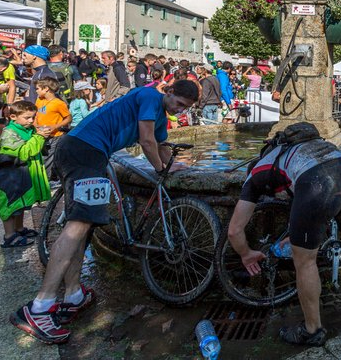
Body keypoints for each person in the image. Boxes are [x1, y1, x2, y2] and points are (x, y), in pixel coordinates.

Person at [10, 80, 199, 344]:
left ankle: (74, 295)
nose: (180, 111)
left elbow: (160, 145)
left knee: (83, 227)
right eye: (178, 103)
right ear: (168, 92)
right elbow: (146, 140)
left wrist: (172, 165)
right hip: (84, 150)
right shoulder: (148, 96)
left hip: (89, 152)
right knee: (76, 226)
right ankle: (40, 307)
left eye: (185, 108)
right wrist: (158, 169)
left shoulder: (160, 118)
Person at [226, 122, 341, 346]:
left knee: (305, 263)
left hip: (314, 184)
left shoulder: (257, 172)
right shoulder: (313, 146)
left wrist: (246, 253)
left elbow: (234, 230)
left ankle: (312, 329)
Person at [0, 100, 52, 248]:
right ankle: (9, 236)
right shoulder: (9, 133)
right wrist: (39, 137)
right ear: (13, 116)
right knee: (10, 206)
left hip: (21, 175)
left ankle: (19, 229)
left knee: (20, 205)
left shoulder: (28, 129)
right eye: (27, 117)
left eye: (33, 117)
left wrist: (40, 136)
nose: (31, 120)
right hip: (10, 177)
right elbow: (25, 153)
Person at [34, 78, 71, 180]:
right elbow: (36, 114)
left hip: (55, 135)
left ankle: (46, 178)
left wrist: (55, 126)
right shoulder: (39, 100)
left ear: (46, 89)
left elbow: (68, 118)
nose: (36, 91)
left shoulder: (59, 103)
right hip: (41, 134)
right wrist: (35, 125)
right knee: (43, 156)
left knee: (50, 157)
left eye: (37, 88)